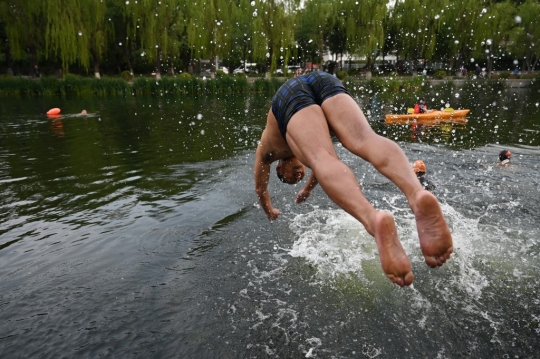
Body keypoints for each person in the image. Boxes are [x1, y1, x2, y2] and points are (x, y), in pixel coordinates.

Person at [254, 71, 453, 287]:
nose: (298, 177)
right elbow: (320, 170)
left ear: (279, 168)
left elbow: (260, 188)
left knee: (322, 159)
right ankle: (417, 193)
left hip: (288, 95)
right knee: (365, 138)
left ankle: (373, 220)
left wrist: (269, 210)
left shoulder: (268, 152)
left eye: (291, 177)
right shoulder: (303, 151)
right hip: (322, 79)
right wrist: (308, 190)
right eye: (296, 180)